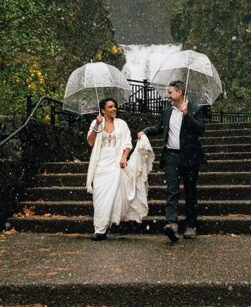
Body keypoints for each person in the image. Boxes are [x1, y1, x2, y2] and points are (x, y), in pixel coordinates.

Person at [141, 80, 206, 242]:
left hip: (190, 156)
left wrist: (187, 115)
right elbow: (159, 128)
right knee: (172, 190)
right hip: (171, 156)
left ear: (179, 92)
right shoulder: (167, 111)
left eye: (170, 92)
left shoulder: (196, 109)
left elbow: (200, 130)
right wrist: (145, 132)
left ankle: (191, 225)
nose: (168, 95)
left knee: (190, 191)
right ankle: (172, 224)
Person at [86, 97, 154, 240]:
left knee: (114, 194)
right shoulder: (96, 122)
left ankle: (101, 229)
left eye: (115, 106)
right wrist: (97, 125)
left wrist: (124, 157)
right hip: (100, 163)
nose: (114, 109)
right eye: (110, 107)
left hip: (116, 163)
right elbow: (91, 142)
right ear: (103, 110)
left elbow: (128, 143)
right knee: (99, 196)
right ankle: (100, 226)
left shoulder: (122, 124)